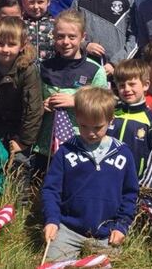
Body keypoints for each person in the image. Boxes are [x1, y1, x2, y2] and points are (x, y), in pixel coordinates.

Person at [41, 87, 138, 262]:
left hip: (106, 233)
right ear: (77, 118)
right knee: (53, 265)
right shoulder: (66, 151)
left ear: (110, 120)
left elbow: (130, 194)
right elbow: (51, 189)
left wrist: (122, 226)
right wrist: (52, 220)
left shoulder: (123, 153)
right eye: (84, 126)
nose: (91, 133)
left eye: (98, 127)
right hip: (68, 228)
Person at [0, 17, 43, 190]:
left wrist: (24, 141)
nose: (5, 50)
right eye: (0, 44)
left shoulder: (28, 70)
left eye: (11, 44)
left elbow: (33, 108)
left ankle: (16, 206)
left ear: (22, 45)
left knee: (18, 166)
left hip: (19, 128)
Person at [34, 9, 107, 166]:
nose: (66, 42)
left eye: (72, 37)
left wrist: (76, 102)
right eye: (60, 36)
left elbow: (104, 107)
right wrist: (42, 106)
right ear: (53, 37)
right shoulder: (43, 68)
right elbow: (30, 102)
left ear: (83, 37)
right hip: (44, 147)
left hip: (81, 145)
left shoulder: (95, 70)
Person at [107, 59, 152, 189]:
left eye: (132, 84)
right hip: (105, 183)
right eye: (122, 85)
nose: (127, 89)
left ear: (145, 85)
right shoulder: (110, 114)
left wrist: (142, 188)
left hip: (133, 188)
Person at [22, 0, 56, 64]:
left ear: (48, 1)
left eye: (40, 2)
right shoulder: (19, 24)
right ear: (23, 2)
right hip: (25, 72)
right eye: (31, 2)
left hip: (50, 72)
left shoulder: (56, 25)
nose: (36, 6)